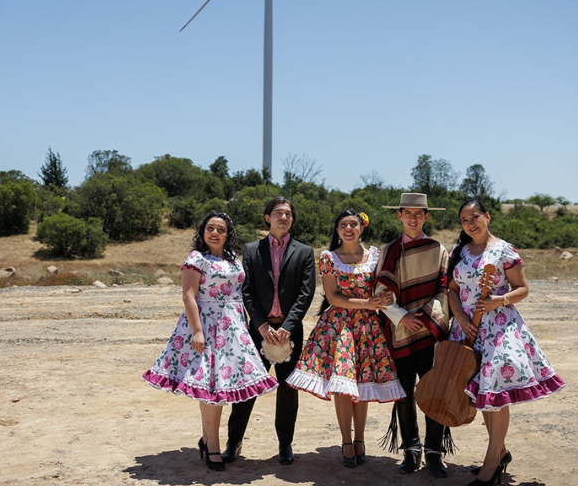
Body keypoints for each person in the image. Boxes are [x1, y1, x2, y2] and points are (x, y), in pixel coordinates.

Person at [142, 212, 279, 472]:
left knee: (221, 386)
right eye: (210, 228)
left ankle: (206, 440)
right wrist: (197, 331)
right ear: (202, 231)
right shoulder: (196, 258)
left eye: (220, 229)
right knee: (210, 388)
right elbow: (188, 296)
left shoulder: (232, 259)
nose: (214, 233)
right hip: (206, 326)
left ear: (228, 234)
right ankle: (213, 446)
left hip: (232, 328)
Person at [447, 200, 565, 486]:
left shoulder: (504, 250)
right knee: (482, 397)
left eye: (475, 217)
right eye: (464, 220)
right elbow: (451, 289)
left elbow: (523, 289)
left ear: (487, 217)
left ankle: (490, 468)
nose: (470, 223)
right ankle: (499, 454)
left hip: (498, 327)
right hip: (467, 329)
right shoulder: (459, 251)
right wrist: (461, 318)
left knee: (494, 393)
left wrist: (499, 300)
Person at [286, 209, 404, 468]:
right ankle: (346, 441)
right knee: (342, 386)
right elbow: (332, 298)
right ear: (337, 230)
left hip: (367, 328)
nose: (348, 229)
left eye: (353, 224)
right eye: (343, 225)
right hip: (338, 328)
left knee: (361, 384)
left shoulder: (374, 256)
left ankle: (360, 439)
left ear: (361, 227)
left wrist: (382, 303)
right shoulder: (329, 258)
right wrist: (368, 302)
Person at [223, 197, 316, 465]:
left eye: (288, 214)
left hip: (290, 332)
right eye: (278, 213)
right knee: (247, 386)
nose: (283, 218)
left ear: (292, 219)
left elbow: (305, 293)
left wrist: (287, 327)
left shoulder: (304, 251)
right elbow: (247, 291)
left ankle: (285, 444)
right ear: (267, 217)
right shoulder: (252, 250)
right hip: (258, 331)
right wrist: (262, 325)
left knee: (288, 389)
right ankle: (234, 442)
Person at [375, 193, 453, 478]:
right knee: (404, 391)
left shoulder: (437, 249)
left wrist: (423, 318)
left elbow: (444, 289)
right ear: (399, 215)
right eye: (407, 213)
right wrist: (401, 317)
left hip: (429, 329)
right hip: (399, 330)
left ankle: (434, 452)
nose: (412, 218)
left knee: (434, 388)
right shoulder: (389, 250)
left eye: (418, 213)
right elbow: (380, 294)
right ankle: (411, 449)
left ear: (426, 217)